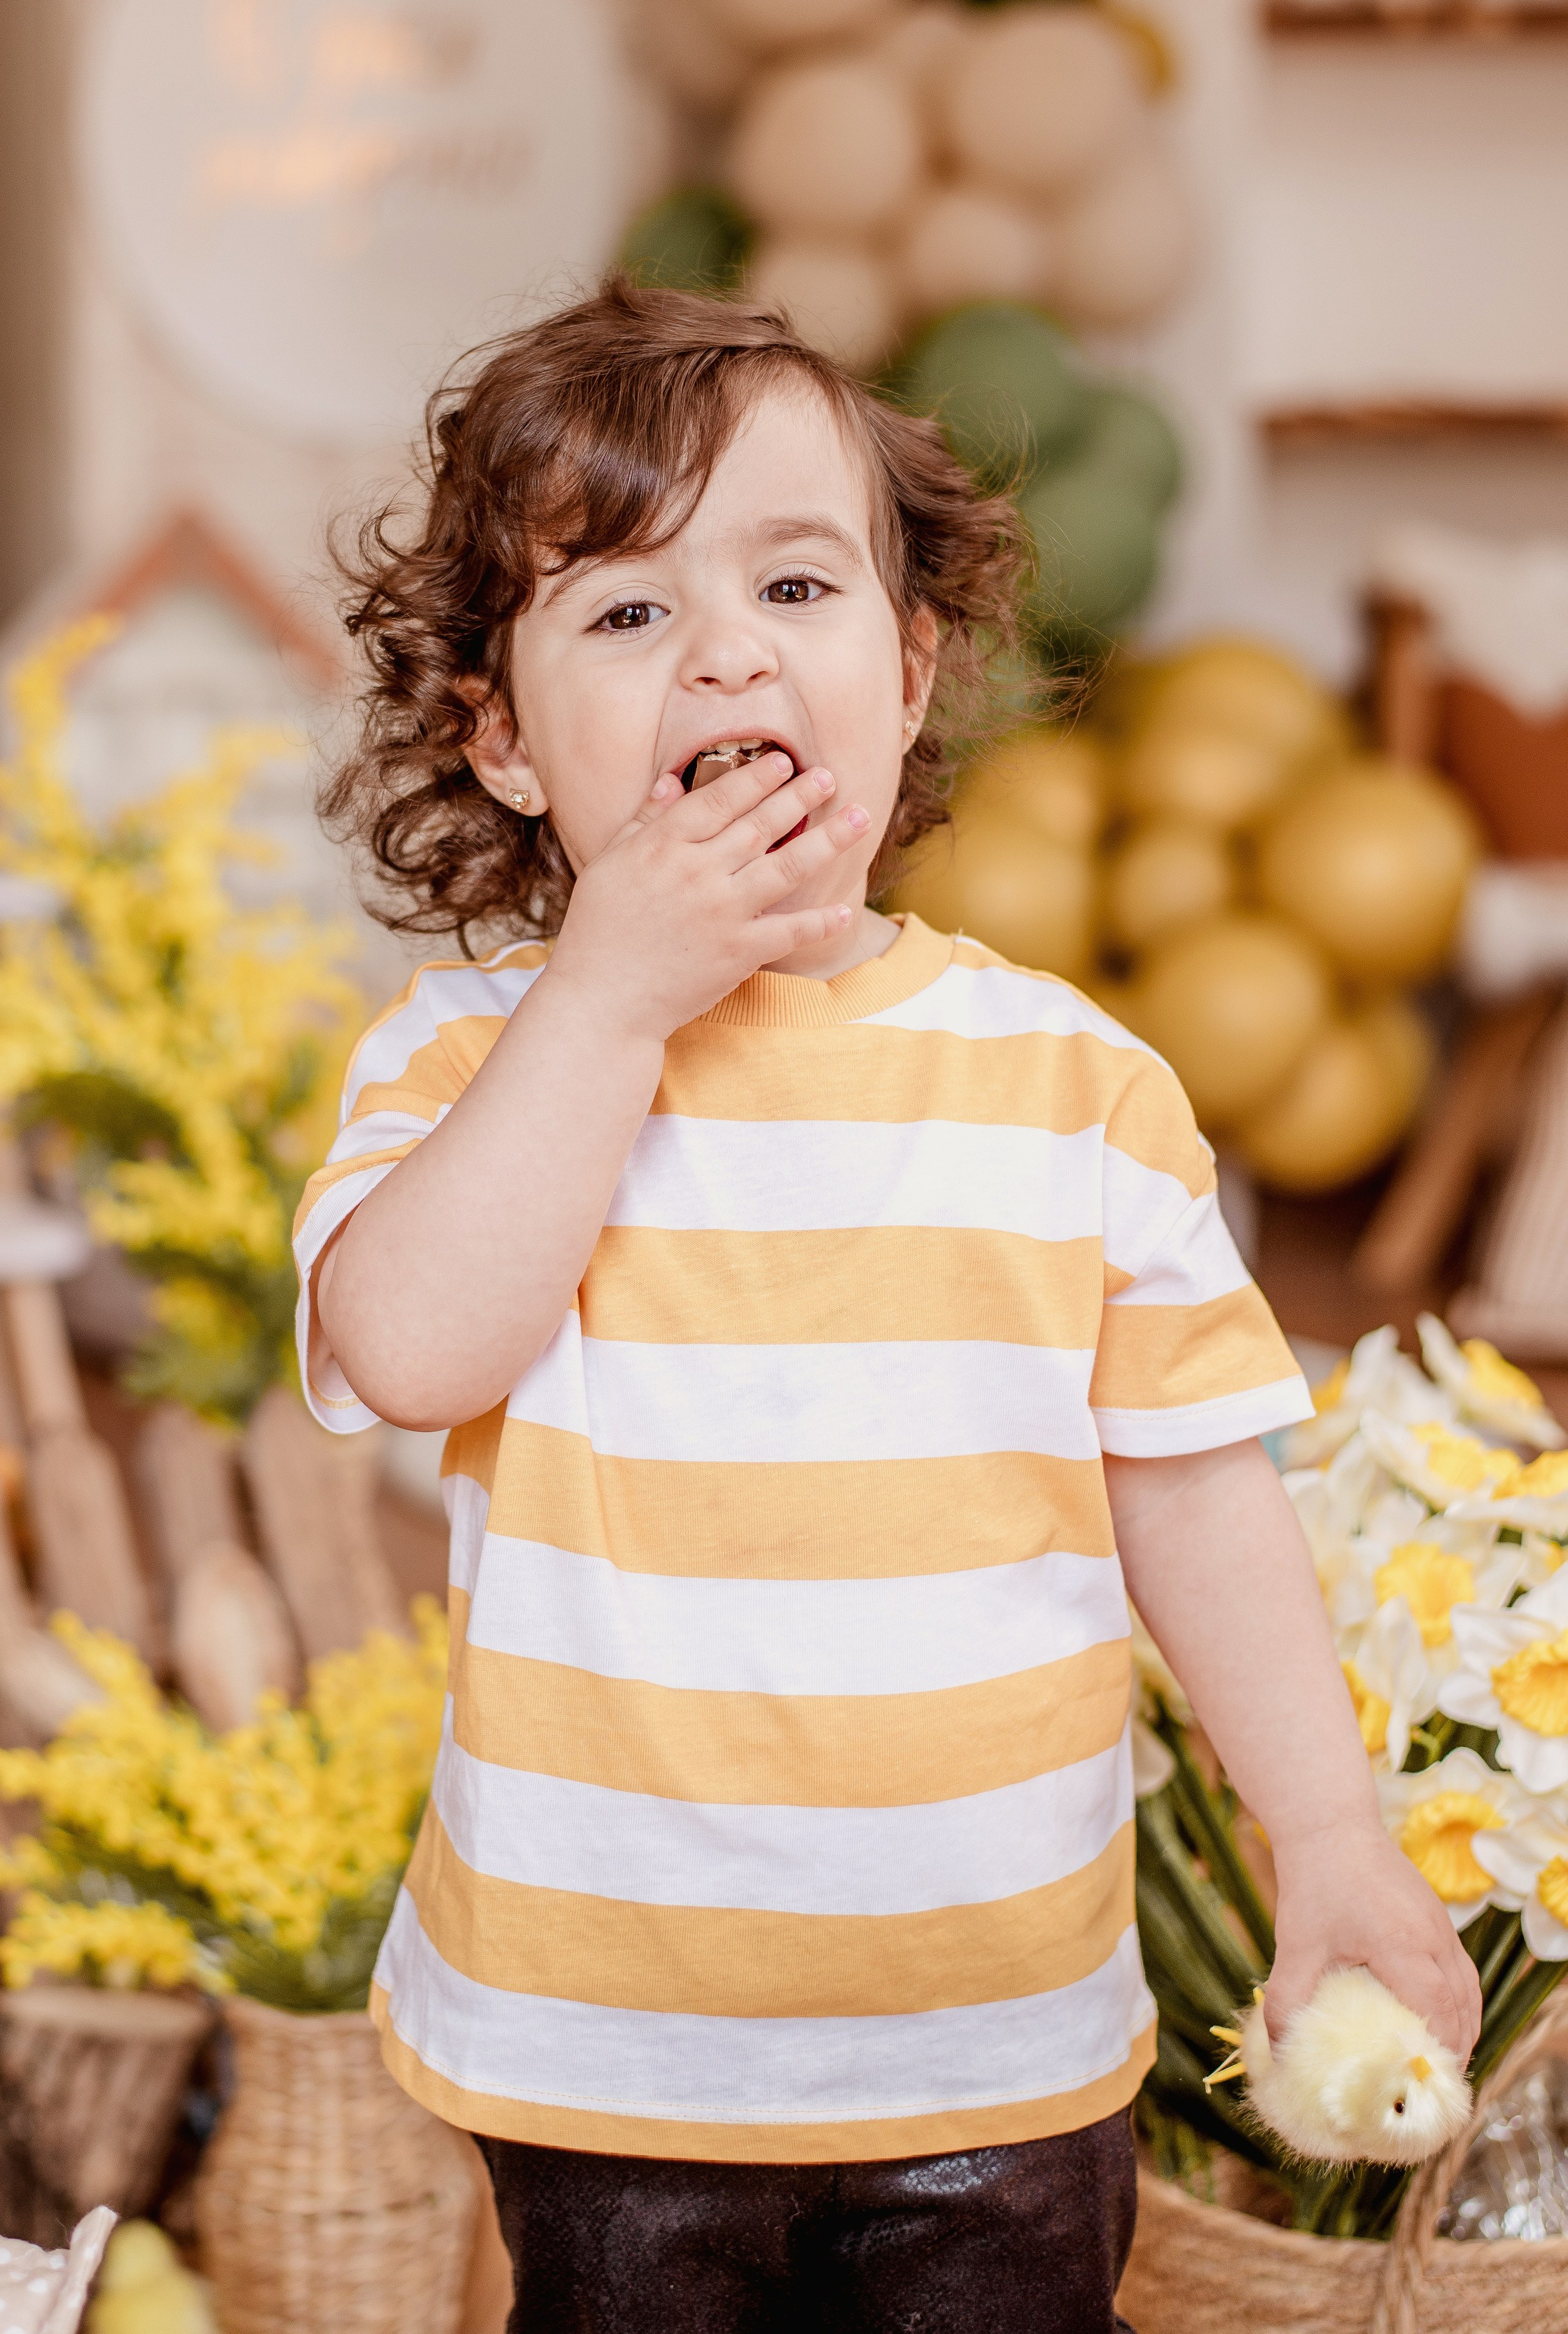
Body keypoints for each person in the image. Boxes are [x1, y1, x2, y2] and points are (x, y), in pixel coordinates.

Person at [295, 278, 1478, 2333]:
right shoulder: (469, 1064)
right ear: (501, 736)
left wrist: (1327, 1834)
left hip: (999, 2039)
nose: (729, 649)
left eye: (794, 584)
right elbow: (410, 1347)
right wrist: (607, 998)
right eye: (628, 610)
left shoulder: (1075, 1087)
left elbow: (1197, 1493)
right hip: (611, 2047)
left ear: (909, 674)